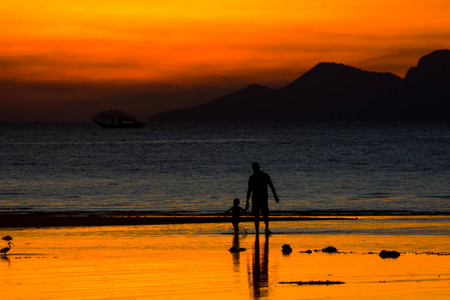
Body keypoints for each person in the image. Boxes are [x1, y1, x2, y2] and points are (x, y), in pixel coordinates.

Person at [246, 162, 280, 235]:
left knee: (262, 215)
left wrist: (275, 196)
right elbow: (249, 190)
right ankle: (260, 230)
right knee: (259, 215)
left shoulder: (260, 176)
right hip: (258, 198)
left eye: (254, 167)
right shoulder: (257, 176)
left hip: (260, 198)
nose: (254, 169)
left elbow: (271, 186)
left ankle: (264, 229)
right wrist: (247, 201)